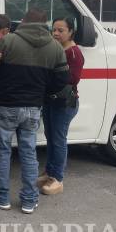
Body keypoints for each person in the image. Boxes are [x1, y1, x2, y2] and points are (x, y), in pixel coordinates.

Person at [0, 8, 70, 214]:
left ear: (23, 22)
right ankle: (29, 200)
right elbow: (62, 80)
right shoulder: (55, 47)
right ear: (45, 25)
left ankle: (0, 197)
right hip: (33, 108)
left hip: (6, 106)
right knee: (29, 154)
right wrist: (42, 92)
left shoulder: (8, 41)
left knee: (2, 153)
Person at [38, 17, 85, 195]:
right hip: (50, 101)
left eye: (61, 30)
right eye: (54, 30)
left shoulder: (74, 53)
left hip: (64, 103)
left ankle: (57, 179)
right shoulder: (56, 49)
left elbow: (72, 79)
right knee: (50, 137)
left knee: (58, 140)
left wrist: (48, 75)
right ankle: (49, 172)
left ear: (71, 32)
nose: (56, 33)